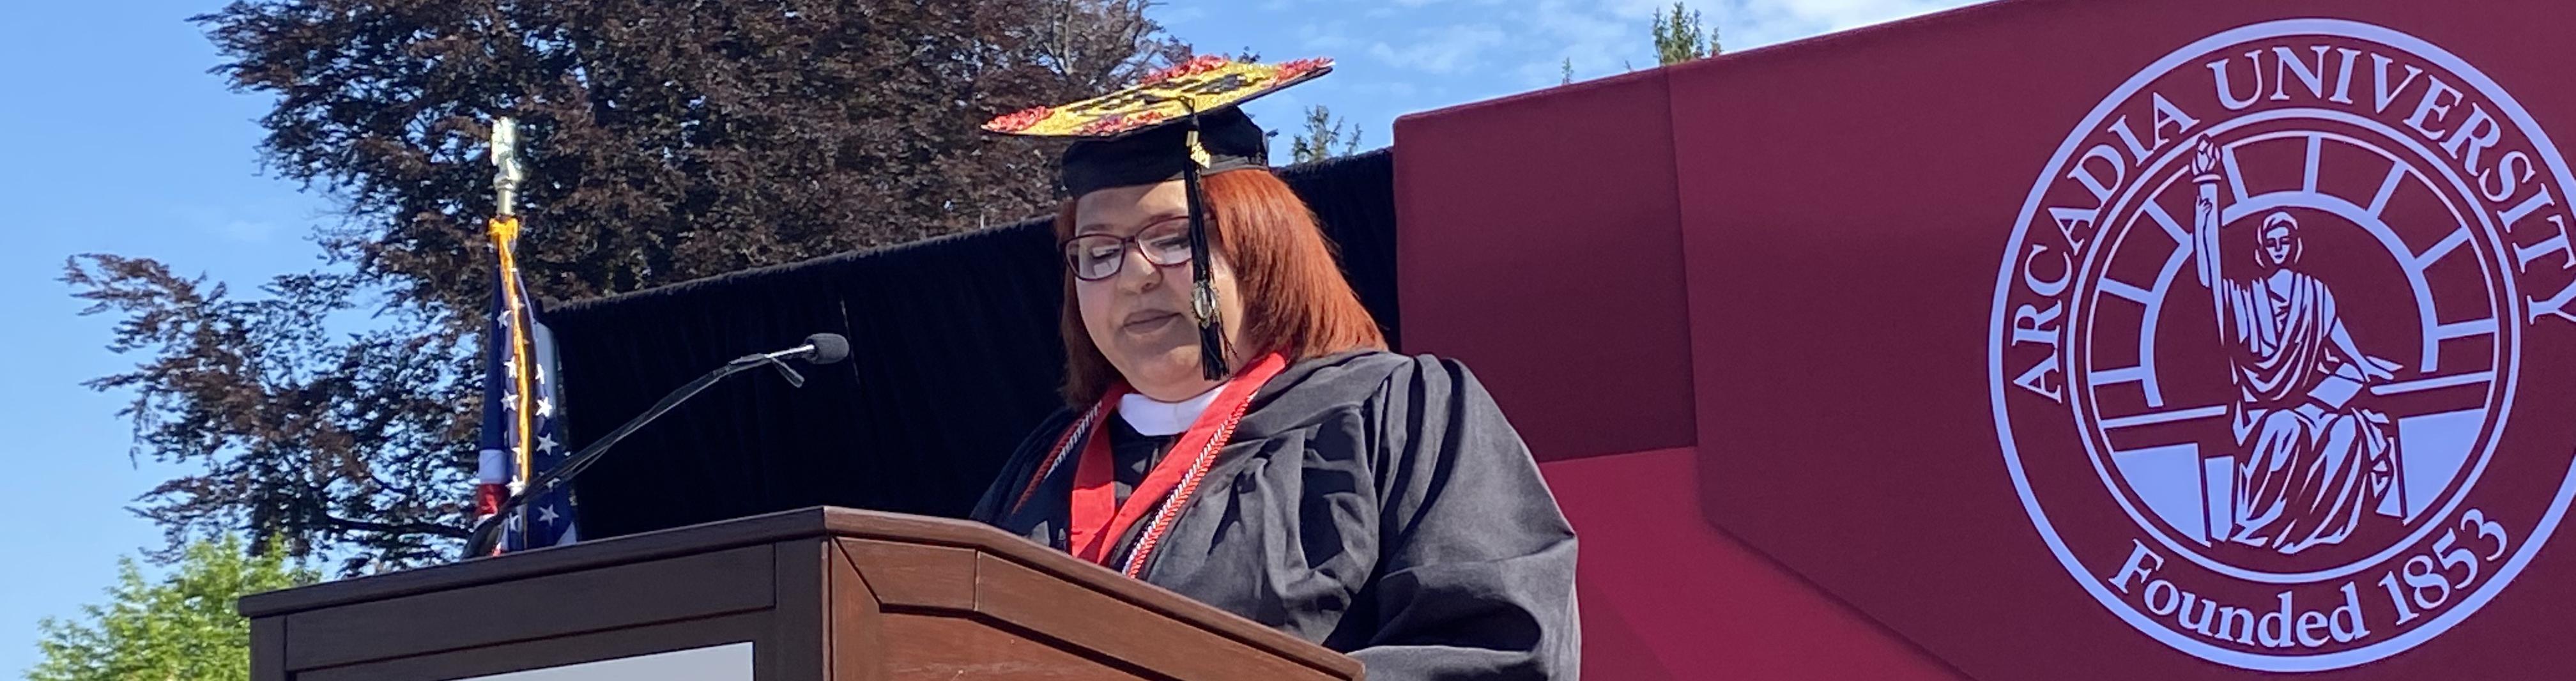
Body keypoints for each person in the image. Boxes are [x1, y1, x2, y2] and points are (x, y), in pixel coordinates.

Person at [970, 56, 1580, 678]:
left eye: (1176, 238)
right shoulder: (1043, 463)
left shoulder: (1396, 413)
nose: (1133, 276)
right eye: (1099, 251)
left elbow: (1498, 650)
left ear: (1264, 248)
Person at [2189, 140, 2400, 555]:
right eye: (2272, 241)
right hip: (2264, 410)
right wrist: (2207, 188)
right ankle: (2262, 535)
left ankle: (2333, 535)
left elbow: (2333, 331)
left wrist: (2361, 365)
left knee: (2347, 431)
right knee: (2285, 429)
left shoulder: (2314, 291)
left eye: (2286, 240)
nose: (2279, 247)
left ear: (2295, 243)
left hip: (2315, 402)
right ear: (2262, 247)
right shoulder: (2242, 294)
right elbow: (2209, 270)